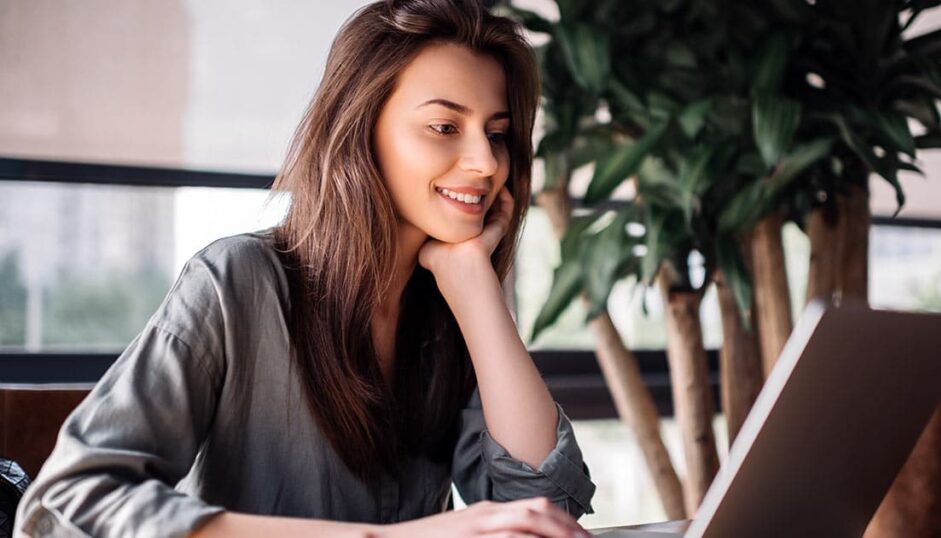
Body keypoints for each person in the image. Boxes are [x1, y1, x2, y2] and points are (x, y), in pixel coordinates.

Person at [14, 0, 597, 536]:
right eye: (445, 127)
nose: (486, 161)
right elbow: (67, 501)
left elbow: (550, 508)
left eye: (497, 134)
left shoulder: (449, 306)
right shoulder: (235, 282)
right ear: (360, 131)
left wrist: (477, 290)